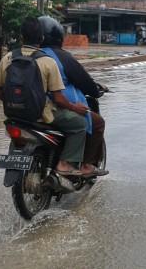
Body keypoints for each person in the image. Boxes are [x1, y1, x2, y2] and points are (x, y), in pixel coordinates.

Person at [0, 17, 91, 176]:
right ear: (41, 39)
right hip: (41, 115)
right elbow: (59, 99)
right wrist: (75, 107)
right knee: (80, 124)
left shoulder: (8, 58)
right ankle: (65, 164)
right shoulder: (47, 61)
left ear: (22, 37)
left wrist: (13, 102)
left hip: (14, 116)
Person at [38, 16, 109, 177]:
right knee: (96, 123)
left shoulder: (23, 55)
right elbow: (82, 81)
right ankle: (84, 165)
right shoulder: (61, 57)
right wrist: (95, 91)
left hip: (27, 110)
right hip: (55, 108)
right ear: (58, 37)